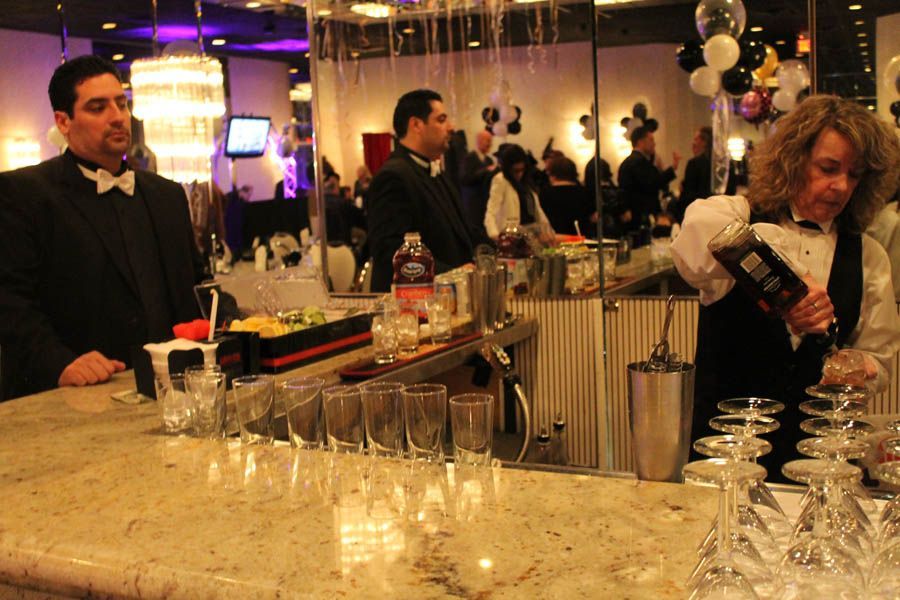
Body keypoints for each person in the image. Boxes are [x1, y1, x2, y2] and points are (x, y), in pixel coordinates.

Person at [671, 95, 900, 479]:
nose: (841, 186)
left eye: (854, 173)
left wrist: (859, 368)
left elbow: (881, 358)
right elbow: (694, 238)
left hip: (819, 462)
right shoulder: (737, 217)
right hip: (728, 459)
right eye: (828, 168)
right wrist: (792, 282)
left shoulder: (868, 254)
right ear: (794, 161)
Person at [0, 55, 205, 400]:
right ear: (63, 122)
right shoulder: (25, 194)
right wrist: (61, 364)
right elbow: (8, 300)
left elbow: (197, 287)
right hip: (76, 398)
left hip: (175, 392)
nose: (117, 117)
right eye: (97, 107)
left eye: (121, 104)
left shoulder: (166, 195)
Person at [367, 89, 482, 293]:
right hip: (415, 306)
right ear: (417, 125)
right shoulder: (393, 177)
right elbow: (392, 253)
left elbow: (465, 231)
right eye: (441, 119)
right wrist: (454, 275)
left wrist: (491, 254)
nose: (451, 127)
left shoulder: (435, 171)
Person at [483, 143, 553, 239]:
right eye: (515, 171)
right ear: (508, 169)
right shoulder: (500, 180)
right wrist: (495, 236)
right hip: (512, 238)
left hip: (532, 236)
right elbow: (491, 212)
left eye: (522, 170)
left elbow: (537, 211)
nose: (519, 174)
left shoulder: (526, 182)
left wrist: (549, 232)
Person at [617, 126, 680, 231]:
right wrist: (672, 169)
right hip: (640, 214)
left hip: (637, 212)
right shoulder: (638, 162)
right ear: (640, 142)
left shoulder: (633, 161)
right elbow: (651, 183)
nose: (654, 144)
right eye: (651, 140)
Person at [539, 155, 597, 237]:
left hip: (555, 238)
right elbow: (593, 217)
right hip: (581, 237)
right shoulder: (584, 192)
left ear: (552, 173)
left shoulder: (544, 193)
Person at [458, 130, 496, 235]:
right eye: (487, 140)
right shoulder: (468, 158)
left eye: (491, 141)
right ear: (478, 141)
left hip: (485, 203)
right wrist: (486, 170)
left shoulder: (489, 160)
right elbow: (464, 179)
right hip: (472, 204)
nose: (490, 144)